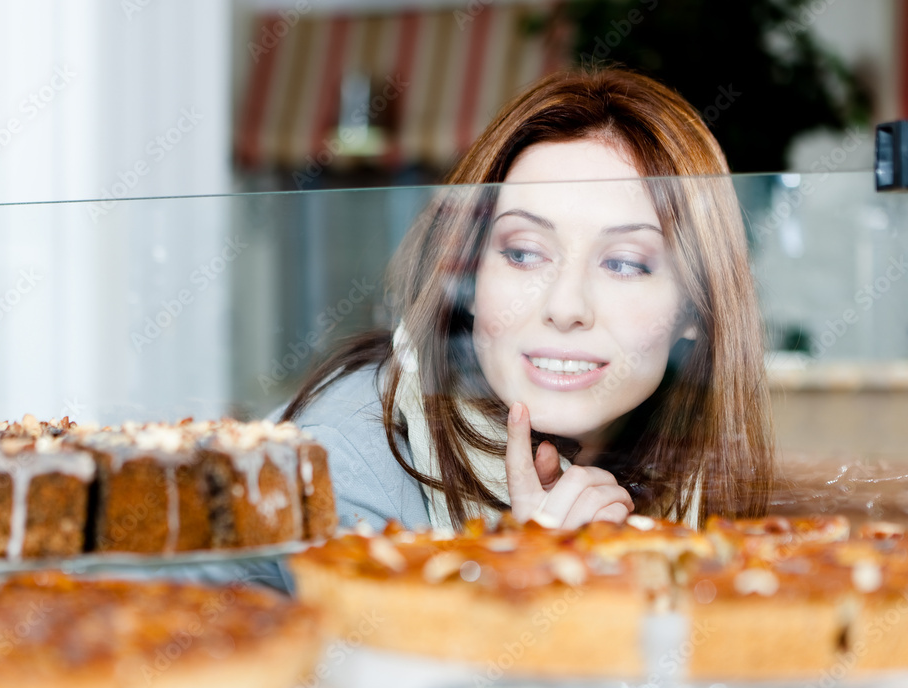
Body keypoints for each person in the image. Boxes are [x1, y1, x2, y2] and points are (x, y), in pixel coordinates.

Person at [278, 68, 775, 536]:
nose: (565, 306)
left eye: (624, 263)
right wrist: (538, 571)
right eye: (523, 253)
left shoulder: (694, 466)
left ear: (695, 307)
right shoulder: (342, 459)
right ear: (467, 273)